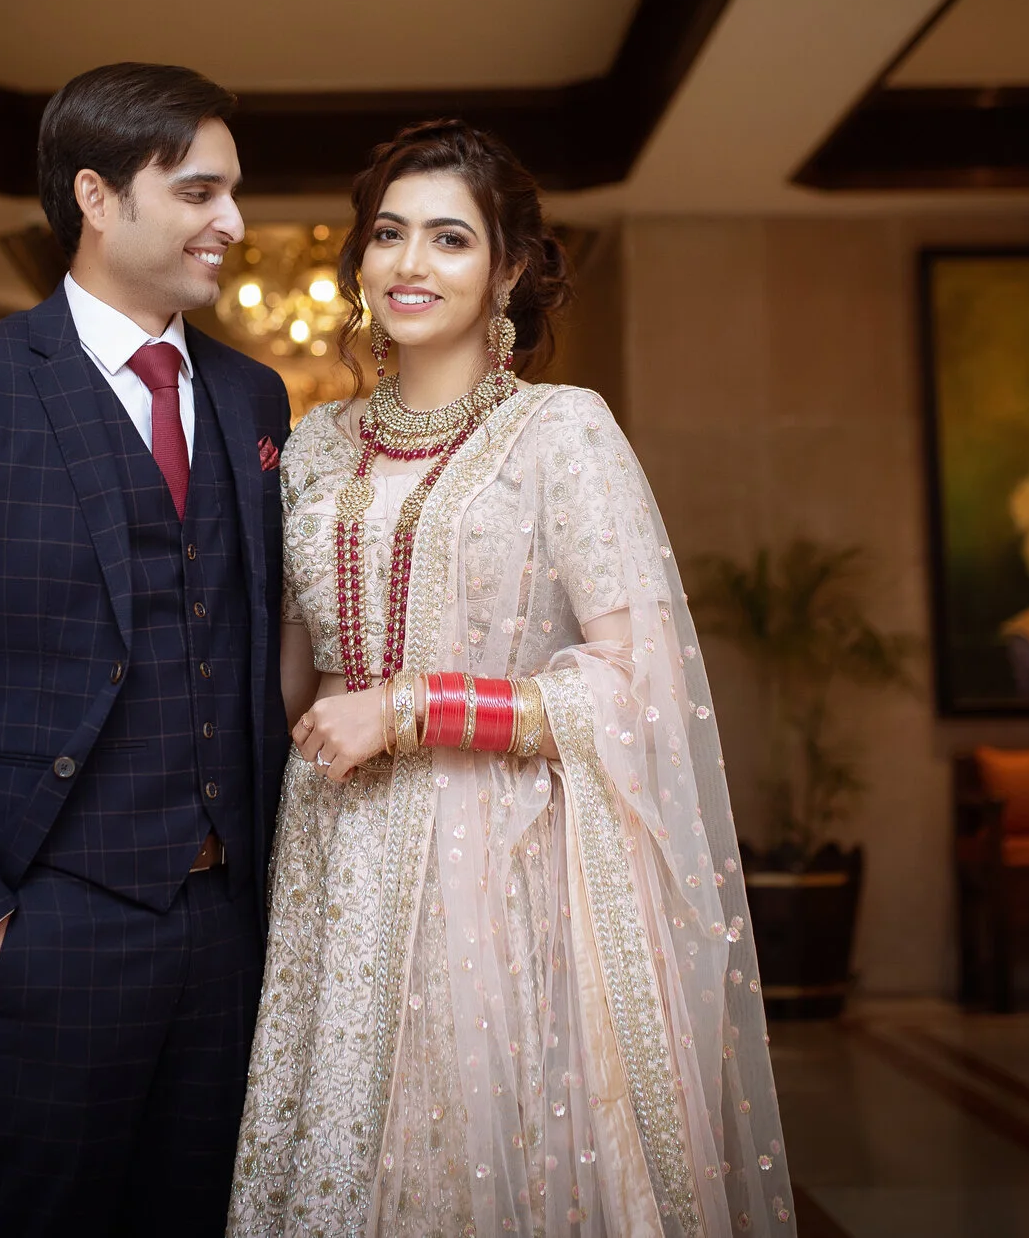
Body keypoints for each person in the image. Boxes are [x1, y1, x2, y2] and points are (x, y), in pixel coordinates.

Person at [229, 122, 797, 1236]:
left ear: (510, 269)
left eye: (449, 238)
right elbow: (278, 677)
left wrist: (413, 706)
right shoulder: (314, 446)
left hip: (493, 862)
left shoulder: (561, 433)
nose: (408, 263)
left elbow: (639, 682)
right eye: (387, 233)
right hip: (330, 863)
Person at [0, 63, 292, 1236]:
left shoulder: (253, 399)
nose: (231, 222)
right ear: (95, 194)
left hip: (226, 931)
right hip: (45, 926)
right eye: (198, 192)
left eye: (232, 191)